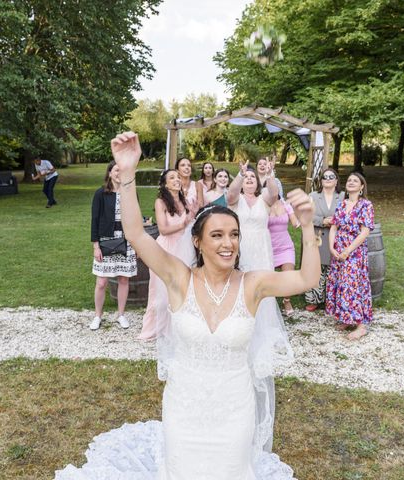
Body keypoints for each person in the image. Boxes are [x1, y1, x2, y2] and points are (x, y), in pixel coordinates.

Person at [55, 131, 320, 480]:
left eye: (234, 235)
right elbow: (135, 234)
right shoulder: (179, 278)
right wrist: (128, 171)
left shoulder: (253, 284)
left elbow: (306, 280)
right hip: (184, 410)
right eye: (217, 235)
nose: (228, 244)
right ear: (197, 241)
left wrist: (307, 226)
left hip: (235, 411)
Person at [139, 169, 196, 340]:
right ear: (165, 184)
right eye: (172, 178)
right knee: (161, 292)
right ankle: (155, 329)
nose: (177, 180)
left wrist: (191, 216)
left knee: (183, 289)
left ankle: (179, 328)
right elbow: (163, 230)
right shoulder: (161, 202)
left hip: (184, 248)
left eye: (178, 177)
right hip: (166, 250)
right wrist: (184, 223)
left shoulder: (184, 200)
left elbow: (190, 224)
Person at [326, 172, 374, 341]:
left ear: (361, 187)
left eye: (356, 181)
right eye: (349, 180)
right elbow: (334, 227)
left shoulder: (365, 205)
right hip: (338, 249)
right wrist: (331, 247)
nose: (351, 182)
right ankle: (346, 318)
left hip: (354, 251)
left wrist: (348, 250)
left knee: (352, 285)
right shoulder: (342, 203)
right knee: (340, 283)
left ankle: (361, 326)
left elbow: (365, 232)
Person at [89, 161, 137, 331]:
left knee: (124, 279)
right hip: (106, 240)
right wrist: (96, 246)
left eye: (122, 170)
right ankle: (97, 316)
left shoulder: (130, 193)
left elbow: (135, 219)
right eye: (116, 170)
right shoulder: (101, 193)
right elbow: (94, 220)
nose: (119, 173)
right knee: (102, 282)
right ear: (110, 173)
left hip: (126, 240)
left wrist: (137, 243)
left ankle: (121, 315)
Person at [305, 168, 344, 311]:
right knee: (317, 268)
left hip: (337, 237)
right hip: (318, 236)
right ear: (321, 181)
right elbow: (305, 216)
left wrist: (336, 220)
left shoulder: (343, 196)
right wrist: (322, 220)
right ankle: (313, 299)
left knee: (334, 269)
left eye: (331, 176)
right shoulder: (313, 196)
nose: (328, 179)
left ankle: (332, 299)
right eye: (325, 177)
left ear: (336, 180)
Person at [268, 196, 300, 316]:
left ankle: (286, 301)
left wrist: (301, 217)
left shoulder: (286, 205)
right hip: (268, 248)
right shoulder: (262, 205)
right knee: (268, 278)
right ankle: (268, 304)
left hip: (285, 247)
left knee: (289, 276)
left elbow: (295, 223)